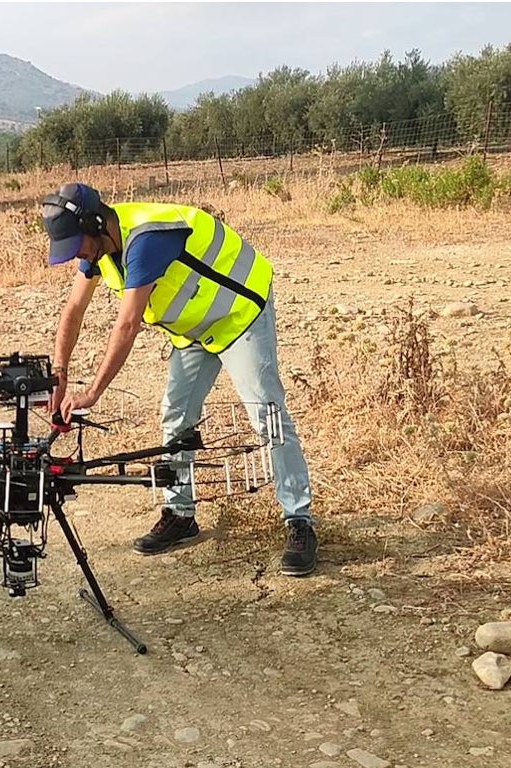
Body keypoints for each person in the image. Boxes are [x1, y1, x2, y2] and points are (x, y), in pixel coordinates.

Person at [41, 182, 317, 576]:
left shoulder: (146, 240)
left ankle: (299, 520)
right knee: (176, 416)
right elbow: (74, 308)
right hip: (194, 328)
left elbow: (128, 324)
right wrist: (60, 374)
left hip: (239, 314)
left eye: (76, 245)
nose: (77, 255)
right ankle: (181, 514)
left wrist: (93, 392)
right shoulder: (100, 247)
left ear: (95, 223)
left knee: (267, 416)